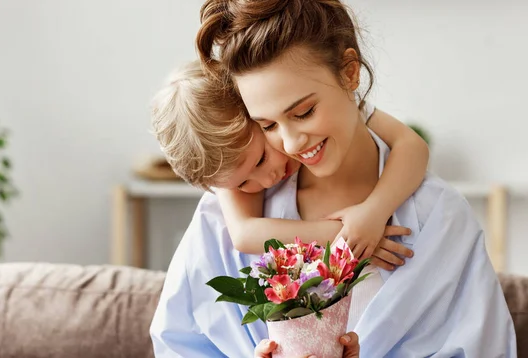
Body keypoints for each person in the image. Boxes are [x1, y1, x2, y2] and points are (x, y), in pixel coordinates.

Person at [151, 1, 517, 357]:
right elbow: (179, 342)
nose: (292, 143)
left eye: (305, 111)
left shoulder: (439, 217)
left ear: (350, 72)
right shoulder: (225, 216)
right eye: (267, 125)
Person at [151, 60, 423, 272]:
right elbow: (244, 235)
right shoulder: (226, 161)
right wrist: (349, 237)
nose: (266, 181)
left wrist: (374, 212)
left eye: (261, 160)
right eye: (243, 184)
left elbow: (412, 145)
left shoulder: (340, 106)